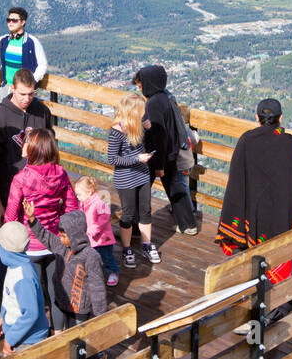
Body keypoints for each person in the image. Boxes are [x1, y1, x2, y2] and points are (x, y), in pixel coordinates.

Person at [214, 99, 292, 287]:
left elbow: (237, 179)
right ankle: (273, 300)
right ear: (280, 118)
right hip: (278, 211)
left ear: (257, 117)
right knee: (275, 252)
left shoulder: (247, 140)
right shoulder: (291, 144)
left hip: (250, 210)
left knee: (249, 258)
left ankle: (247, 290)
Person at [4, 128, 79, 331]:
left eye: (27, 142)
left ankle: (38, 337)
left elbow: (10, 217)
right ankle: (57, 334)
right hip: (54, 242)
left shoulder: (21, 179)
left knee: (34, 296)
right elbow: (73, 207)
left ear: (34, 149)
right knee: (57, 294)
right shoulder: (61, 174)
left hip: (30, 245)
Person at [132, 65, 199, 234]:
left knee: (140, 188)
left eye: (141, 86)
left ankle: (132, 227)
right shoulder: (165, 97)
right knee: (175, 187)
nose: (140, 90)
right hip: (171, 152)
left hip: (157, 156)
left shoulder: (153, 104)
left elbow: (159, 136)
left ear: (149, 83)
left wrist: (159, 165)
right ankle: (189, 224)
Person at [25, 202, 108, 328]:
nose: (61, 239)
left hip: (79, 310)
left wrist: (99, 316)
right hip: (61, 301)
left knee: (77, 340)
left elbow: (97, 288)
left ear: (75, 235)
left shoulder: (91, 256)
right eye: (60, 235)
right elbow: (45, 236)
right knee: (61, 335)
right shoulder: (62, 247)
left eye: (64, 236)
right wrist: (32, 219)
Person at [0, 67, 54, 207]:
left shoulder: (42, 112)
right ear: (12, 88)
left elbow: (49, 148)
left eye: (31, 94)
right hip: (9, 193)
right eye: (22, 94)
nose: (27, 99)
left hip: (39, 190)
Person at [0, 220, 50, 359]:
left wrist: (10, 340)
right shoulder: (15, 267)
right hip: (20, 335)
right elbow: (11, 300)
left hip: (26, 340)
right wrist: (1, 319)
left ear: (6, 251)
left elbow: (31, 313)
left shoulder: (23, 276)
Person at [106, 92, 157, 268]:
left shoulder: (138, 125)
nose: (143, 114)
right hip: (126, 178)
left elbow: (146, 143)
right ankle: (127, 248)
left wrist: (149, 129)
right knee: (128, 214)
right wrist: (137, 159)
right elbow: (112, 159)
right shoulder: (116, 132)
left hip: (142, 174)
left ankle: (147, 245)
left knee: (145, 210)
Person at [75, 175, 119, 287]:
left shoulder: (99, 202)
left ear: (89, 192)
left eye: (79, 194)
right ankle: (92, 273)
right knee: (92, 257)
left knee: (107, 257)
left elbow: (104, 218)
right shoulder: (83, 202)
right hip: (91, 238)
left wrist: (92, 230)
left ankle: (113, 272)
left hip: (103, 239)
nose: (77, 196)